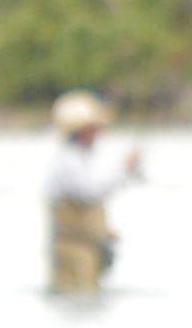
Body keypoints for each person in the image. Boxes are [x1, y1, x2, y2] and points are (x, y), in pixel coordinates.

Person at [46, 89, 142, 293]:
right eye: (93, 128)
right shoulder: (67, 161)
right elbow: (90, 192)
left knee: (89, 295)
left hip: (88, 250)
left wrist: (104, 231)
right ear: (81, 130)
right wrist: (124, 169)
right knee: (77, 296)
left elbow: (87, 205)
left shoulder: (81, 159)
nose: (98, 133)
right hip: (73, 253)